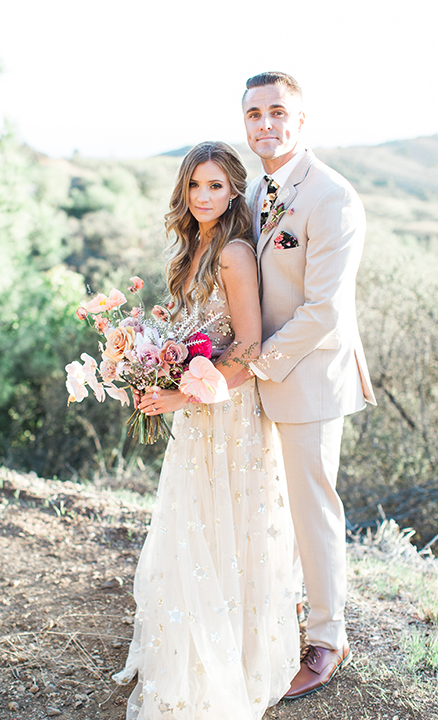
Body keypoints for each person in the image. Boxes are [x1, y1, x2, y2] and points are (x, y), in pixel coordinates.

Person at [113, 141, 300, 719]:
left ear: (234, 190)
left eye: (216, 185)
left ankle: (231, 663)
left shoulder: (234, 254)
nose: (203, 196)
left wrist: (178, 391)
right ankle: (190, 649)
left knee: (227, 535)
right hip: (198, 414)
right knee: (194, 530)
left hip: (228, 413)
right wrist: (147, 360)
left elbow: (247, 350)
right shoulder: (194, 248)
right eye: (195, 185)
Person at [241, 72, 376, 700]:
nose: (264, 124)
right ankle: (284, 612)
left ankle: (327, 639)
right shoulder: (255, 193)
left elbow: (326, 310)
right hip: (262, 374)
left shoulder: (332, 196)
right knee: (276, 507)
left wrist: (255, 361)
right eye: (253, 114)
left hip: (310, 377)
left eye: (276, 112)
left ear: (300, 119)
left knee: (314, 510)